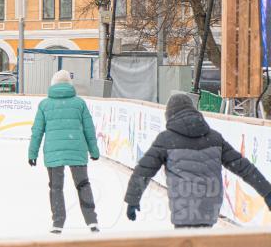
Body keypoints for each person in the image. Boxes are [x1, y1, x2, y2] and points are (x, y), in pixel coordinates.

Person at [124, 94, 271, 229]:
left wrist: (133, 199)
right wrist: (267, 191)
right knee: (203, 238)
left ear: (169, 115)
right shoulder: (214, 138)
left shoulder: (166, 139)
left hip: (183, 206)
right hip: (210, 205)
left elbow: (143, 170)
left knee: (187, 240)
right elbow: (243, 167)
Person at [28, 70, 100, 234]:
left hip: (54, 153)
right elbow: (89, 130)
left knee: (56, 187)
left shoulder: (45, 104)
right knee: (83, 185)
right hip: (77, 150)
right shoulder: (79, 103)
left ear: (53, 84)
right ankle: (92, 221)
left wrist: (32, 154)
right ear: (69, 85)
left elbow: (37, 131)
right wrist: (94, 151)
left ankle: (58, 223)